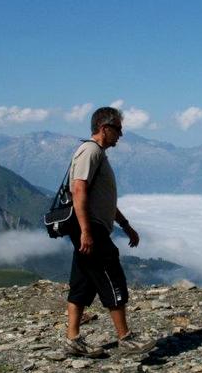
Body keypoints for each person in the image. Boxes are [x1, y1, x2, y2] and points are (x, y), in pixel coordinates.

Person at [64, 106, 156, 357]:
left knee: (82, 281)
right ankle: (125, 338)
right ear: (104, 129)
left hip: (90, 226)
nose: (121, 135)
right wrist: (86, 231)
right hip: (91, 227)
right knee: (112, 276)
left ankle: (73, 339)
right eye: (118, 129)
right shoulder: (90, 151)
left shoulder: (96, 154)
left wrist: (125, 226)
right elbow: (79, 190)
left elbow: (103, 199)